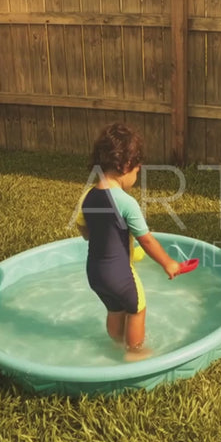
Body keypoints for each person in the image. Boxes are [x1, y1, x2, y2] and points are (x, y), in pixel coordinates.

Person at [75, 122, 181, 362]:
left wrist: (98, 235)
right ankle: (134, 353)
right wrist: (168, 263)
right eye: (137, 171)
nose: (137, 176)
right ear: (125, 167)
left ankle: (115, 344)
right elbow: (147, 240)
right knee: (137, 307)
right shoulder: (126, 202)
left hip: (95, 273)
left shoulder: (88, 195)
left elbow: (83, 227)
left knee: (115, 308)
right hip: (119, 273)